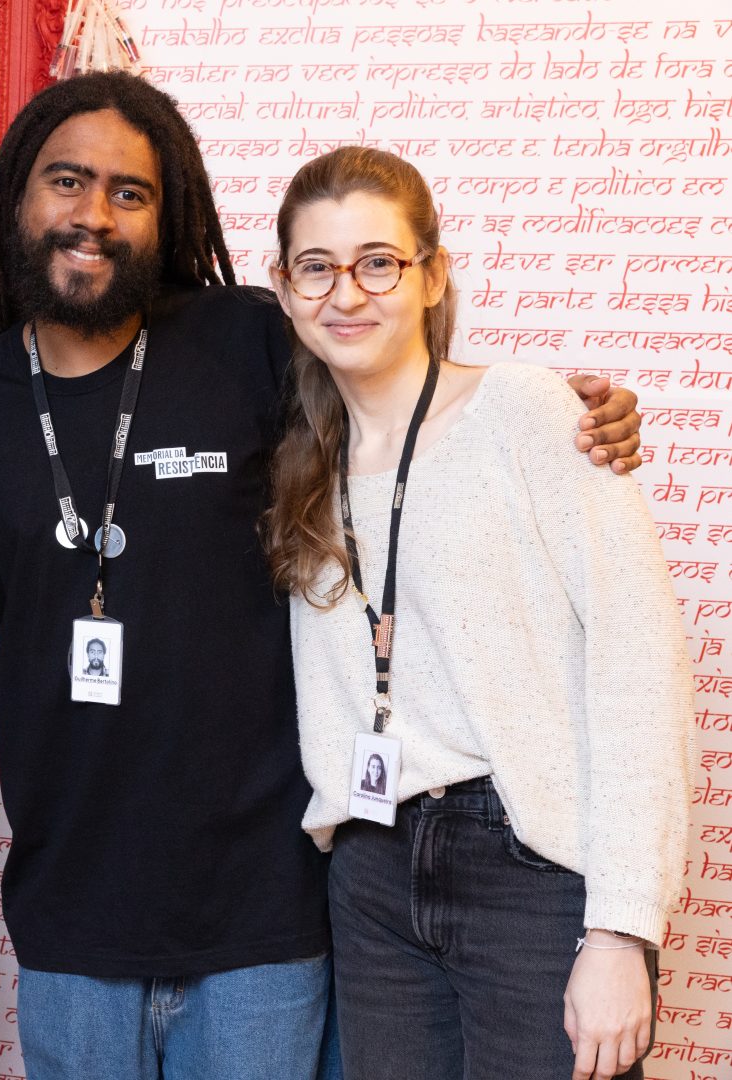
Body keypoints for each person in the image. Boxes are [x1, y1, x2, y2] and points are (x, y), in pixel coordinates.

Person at [0, 71, 643, 1080]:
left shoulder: (248, 340)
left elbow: (398, 393)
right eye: (67, 180)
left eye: (129, 191)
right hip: (70, 922)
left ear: (168, 214)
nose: (94, 214)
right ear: (17, 196)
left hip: (268, 918)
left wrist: (566, 415)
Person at [266, 146, 691, 1080]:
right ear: (285, 289)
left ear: (433, 275)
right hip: (371, 870)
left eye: (380, 262)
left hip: (530, 867)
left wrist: (622, 928)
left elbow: (640, 663)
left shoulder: (529, 411)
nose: (348, 293)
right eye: (318, 266)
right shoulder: (302, 458)